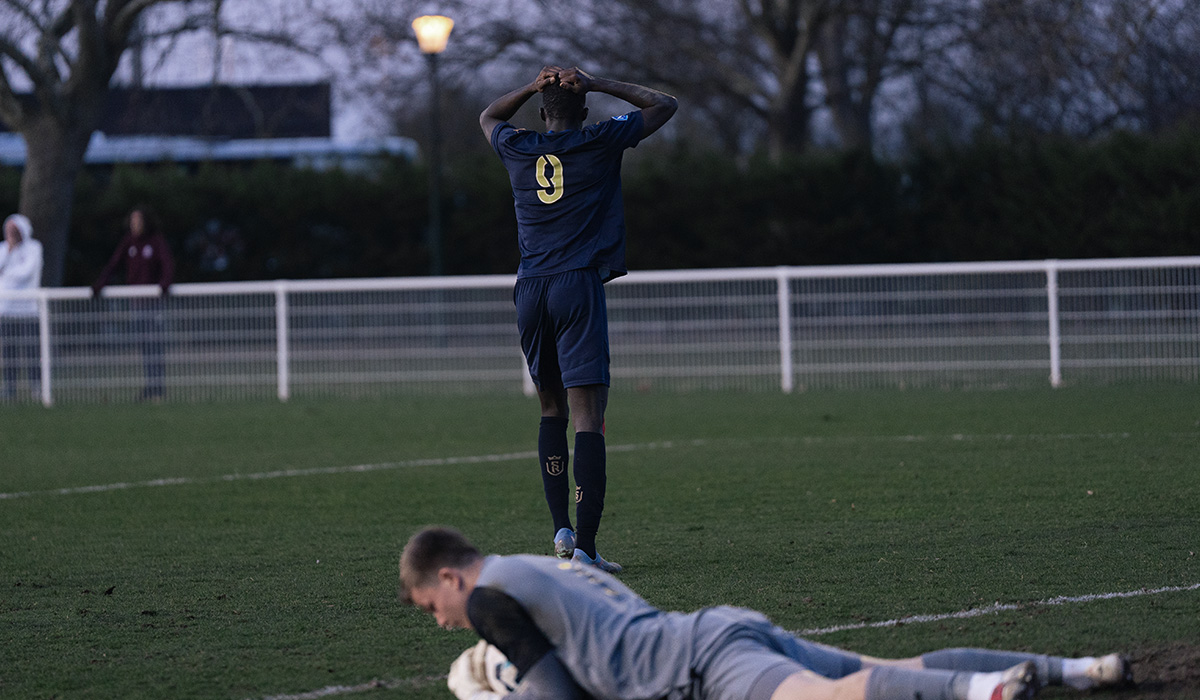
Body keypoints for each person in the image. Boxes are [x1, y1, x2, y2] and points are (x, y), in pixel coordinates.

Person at [401, 526, 1134, 700]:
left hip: (696, 662)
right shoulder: (537, 562)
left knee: (829, 698)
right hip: (714, 629)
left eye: (434, 607)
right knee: (890, 667)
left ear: (448, 577)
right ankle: (1077, 669)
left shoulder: (490, 600)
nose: (441, 622)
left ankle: (985, 690)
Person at [479, 66, 678, 572]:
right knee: (589, 416)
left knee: (550, 409)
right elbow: (663, 104)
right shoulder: (600, 140)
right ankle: (587, 548)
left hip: (529, 288)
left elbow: (487, 116)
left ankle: (561, 531)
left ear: (542, 115)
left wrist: (529, 86)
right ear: (582, 110)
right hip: (576, 284)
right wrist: (598, 82)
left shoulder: (519, 147)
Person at [92, 207, 175, 402]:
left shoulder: (156, 241)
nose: (134, 224)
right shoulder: (128, 242)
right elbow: (114, 264)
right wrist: (100, 284)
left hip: (153, 303)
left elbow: (167, 265)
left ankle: (157, 388)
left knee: (155, 345)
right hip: (136, 304)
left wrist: (163, 285)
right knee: (144, 346)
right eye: (132, 221)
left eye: (138, 221)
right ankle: (151, 385)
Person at [0, 214, 44, 401]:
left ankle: (37, 388)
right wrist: (10, 251)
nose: (11, 234)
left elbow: (26, 273)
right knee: (9, 352)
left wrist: (5, 276)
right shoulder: (3, 249)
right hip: (6, 309)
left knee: (33, 352)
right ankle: (10, 389)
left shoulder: (34, 248)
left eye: (14, 230)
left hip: (28, 310)